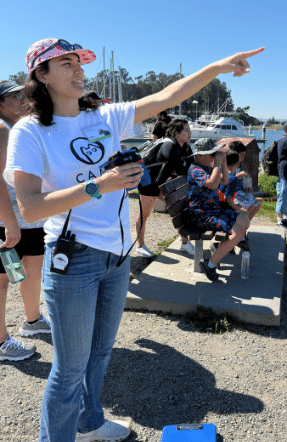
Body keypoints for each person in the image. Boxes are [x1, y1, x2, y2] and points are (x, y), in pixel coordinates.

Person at [6, 38, 262, 442]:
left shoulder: (105, 116)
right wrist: (98, 186)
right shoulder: (30, 131)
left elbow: (166, 95)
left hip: (117, 256)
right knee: (69, 370)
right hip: (73, 258)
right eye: (67, 63)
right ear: (41, 75)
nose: (79, 70)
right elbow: (32, 208)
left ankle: (89, 423)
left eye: (80, 63)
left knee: (100, 354)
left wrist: (216, 67)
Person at [0, 81, 50, 362]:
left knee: (32, 268)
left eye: (22, 94)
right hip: (9, 222)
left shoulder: (20, 129)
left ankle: (32, 321)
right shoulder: (1, 130)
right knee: (2, 281)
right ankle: (1, 343)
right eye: (14, 96)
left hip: (29, 218)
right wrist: (10, 224)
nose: (22, 99)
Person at [186, 139, 250, 281]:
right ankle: (210, 265)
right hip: (201, 216)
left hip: (213, 211)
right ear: (201, 155)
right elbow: (214, 185)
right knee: (237, 231)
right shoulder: (195, 169)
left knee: (244, 220)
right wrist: (216, 163)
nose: (214, 155)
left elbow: (224, 181)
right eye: (212, 153)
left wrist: (223, 163)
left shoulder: (207, 167)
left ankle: (224, 249)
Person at [135, 118, 195, 257]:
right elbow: (180, 169)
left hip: (165, 183)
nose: (189, 133)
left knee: (180, 210)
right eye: (186, 130)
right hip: (149, 182)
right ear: (177, 133)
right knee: (144, 215)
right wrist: (179, 169)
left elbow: (190, 168)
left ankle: (185, 243)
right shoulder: (169, 146)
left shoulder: (186, 147)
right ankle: (140, 245)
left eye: (189, 129)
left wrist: (180, 169)